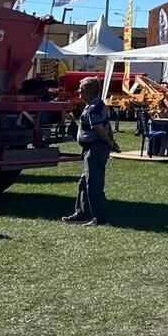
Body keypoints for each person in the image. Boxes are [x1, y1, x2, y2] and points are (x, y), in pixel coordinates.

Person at [64, 77, 117, 227]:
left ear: (88, 91)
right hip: (91, 149)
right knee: (84, 182)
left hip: (95, 149)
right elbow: (107, 126)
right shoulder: (95, 105)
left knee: (93, 183)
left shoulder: (94, 108)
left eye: (80, 89)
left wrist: (109, 143)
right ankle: (81, 213)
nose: (78, 92)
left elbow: (100, 129)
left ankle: (100, 218)